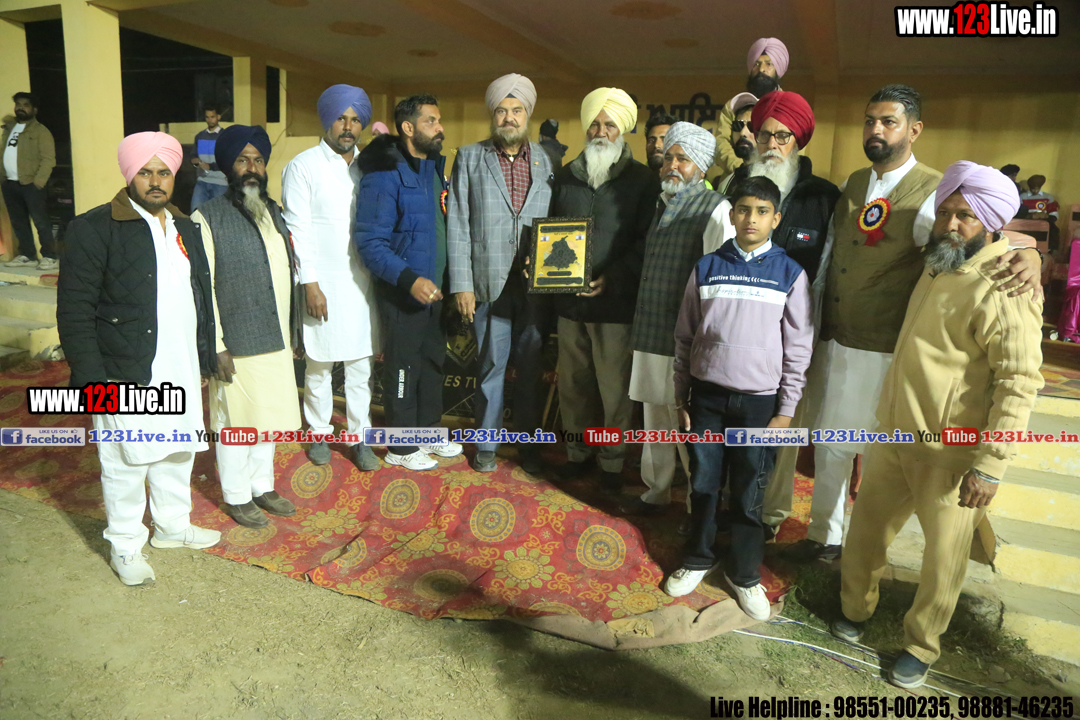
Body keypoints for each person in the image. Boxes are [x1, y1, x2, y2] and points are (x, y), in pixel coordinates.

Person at [781, 85, 1043, 562]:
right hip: (836, 337)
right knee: (831, 443)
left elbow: (978, 236)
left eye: (889, 122)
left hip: (888, 346)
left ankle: (865, 548)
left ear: (914, 129)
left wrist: (1031, 254)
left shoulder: (935, 191)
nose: (876, 130)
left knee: (876, 449)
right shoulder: (854, 183)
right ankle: (824, 538)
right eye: (870, 121)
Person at [833, 162, 1044, 689]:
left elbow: (1020, 382)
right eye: (946, 212)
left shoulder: (1005, 286)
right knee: (866, 532)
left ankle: (920, 646)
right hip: (895, 434)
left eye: (965, 216)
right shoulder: (938, 263)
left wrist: (990, 466)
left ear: (991, 223)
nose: (951, 224)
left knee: (943, 557)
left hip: (952, 451)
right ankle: (854, 609)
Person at [56, 132, 220, 585]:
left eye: (163, 172)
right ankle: (126, 546)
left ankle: (172, 526)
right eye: (145, 172)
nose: (155, 181)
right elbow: (74, 311)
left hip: (179, 363)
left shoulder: (184, 225)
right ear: (129, 174)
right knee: (125, 460)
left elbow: (199, 297)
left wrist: (204, 355)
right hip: (122, 368)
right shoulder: (94, 227)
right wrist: (92, 378)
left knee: (177, 449)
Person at [665, 176, 813, 620]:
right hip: (707, 397)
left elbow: (799, 346)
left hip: (759, 403)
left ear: (776, 219)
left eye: (762, 212)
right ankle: (698, 557)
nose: (751, 219)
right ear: (731, 215)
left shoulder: (790, 274)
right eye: (744, 210)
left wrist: (786, 410)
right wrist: (681, 397)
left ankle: (745, 573)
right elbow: (685, 335)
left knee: (750, 488)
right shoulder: (707, 267)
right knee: (704, 482)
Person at [193, 125, 303, 529]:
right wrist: (215, 344)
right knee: (235, 422)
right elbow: (202, 287)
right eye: (242, 160)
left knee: (267, 417)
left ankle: (262, 485)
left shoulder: (274, 212)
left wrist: (295, 332)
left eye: (258, 160)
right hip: (235, 340)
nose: (252, 167)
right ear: (228, 167)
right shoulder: (207, 217)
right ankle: (237, 495)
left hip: (275, 335)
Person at [549, 87, 658, 494]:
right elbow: (550, 232)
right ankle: (577, 455)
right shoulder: (565, 177)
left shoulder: (643, 181)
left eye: (610, 124)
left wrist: (613, 277)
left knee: (614, 391)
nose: (600, 132)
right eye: (594, 124)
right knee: (572, 386)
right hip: (568, 304)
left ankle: (612, 463)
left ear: (623, 130)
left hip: (615, 306)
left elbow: (645, 241)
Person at [623, 122, 731, 517]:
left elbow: (719, 283)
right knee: (654, 415)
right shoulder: (663, 202)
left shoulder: (716, 209)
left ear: (700, 166)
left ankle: (696, 508)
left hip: (687, 338)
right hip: (652, 330)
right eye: (669, 157)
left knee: (688, 424)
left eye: (682, 159)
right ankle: (656, 491)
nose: (672, 165)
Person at [448, 74, 554, 474]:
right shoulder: (470, 157)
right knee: (491, 366)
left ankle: (529, 446)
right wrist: (462, 284)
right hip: (487, 283)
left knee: (530, 368)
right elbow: (458, 222)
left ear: (528, 114)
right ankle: (487, 446)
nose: (509, 118)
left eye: (517, 110)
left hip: (534, 285)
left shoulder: (546, 160)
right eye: (502, 111)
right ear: (493, 115)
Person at [355, 94, 463, 471]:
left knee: (432, 363)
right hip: (403, 291)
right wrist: (409, 279)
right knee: (403, 367)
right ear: (408, 127)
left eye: (439, 120)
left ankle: (427, 432)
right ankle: (401, 448)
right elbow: (370, 242)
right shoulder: (384, 174)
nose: (440, 128)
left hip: (435, 291)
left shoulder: (432, 170)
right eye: (431, 121)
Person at [282, 84, 380, 473]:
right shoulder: (303, 165)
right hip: (320, 282)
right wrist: (310, 283)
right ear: (328, 120)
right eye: (341, 118)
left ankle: (359, 438)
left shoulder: (369, 167)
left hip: (362, 282)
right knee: (319, 365)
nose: (348, 126)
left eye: (355, 120)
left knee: (360, 367)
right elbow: (297, 229)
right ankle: (319, 432)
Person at [712, 38, 789, 175]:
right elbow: (721, 142)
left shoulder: (788, 106)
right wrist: (742, 169)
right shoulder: (733, 105)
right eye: (756, 64)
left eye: (769, 64)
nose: (761, 70)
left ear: (778, 70)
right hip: (736, 175)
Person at [2, 92, 58, 270]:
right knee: (18, 222)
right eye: (18, 104)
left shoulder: (41, 131)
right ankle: (27, 255)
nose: (21, 108)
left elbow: (48, 159)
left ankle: (49, 256)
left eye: (26, 105)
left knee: (41, 222)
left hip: (31, 184)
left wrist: (38, 182)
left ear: (34, 110)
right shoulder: (9, 129)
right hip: (10, 183)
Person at [714, 93, 756, 195]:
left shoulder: (776, 178)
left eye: (751, 126)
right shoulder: (726, 185)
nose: (743, 133)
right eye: (738, 125)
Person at [189, 104, 228, 211]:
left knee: (218, 214)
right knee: (195, 212)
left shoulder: (225, 136)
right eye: (207, 117)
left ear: (218, 117)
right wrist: (194, 160)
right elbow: (193, 155)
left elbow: (227, 160)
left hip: (220, 182)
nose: (210, 120)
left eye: (212, 117)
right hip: (202, 181)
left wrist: (211, 166)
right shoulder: (199, 136)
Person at [1020, 174, 1060, 250]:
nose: (1035, 191)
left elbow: (1054, 213)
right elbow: (1020, 213)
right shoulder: (1023, 196)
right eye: (1033, 189)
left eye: (1037, 188)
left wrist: (1046, 217)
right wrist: (1031, 216)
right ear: (1029, 187)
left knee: (1054, 230)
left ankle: (1051, 250)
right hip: (1028, 220)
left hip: (1044, 220)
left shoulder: (1047, 197)